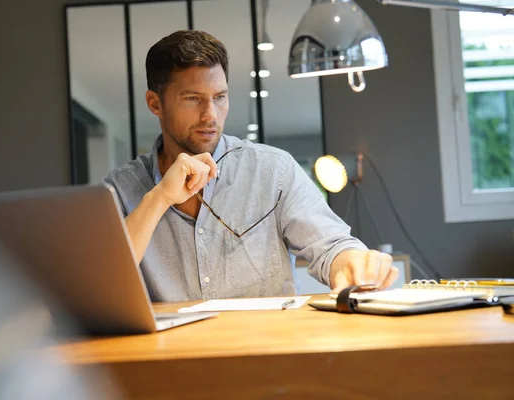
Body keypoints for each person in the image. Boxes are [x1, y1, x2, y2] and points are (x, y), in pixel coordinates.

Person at [103, 30, 398, 302]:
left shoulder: (273, 170)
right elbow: (104, 283)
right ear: (155, 104)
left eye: (219, 98)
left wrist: (353, 262)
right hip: (169, 357)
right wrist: (160, 197)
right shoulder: (119, 189)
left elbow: (331, 245)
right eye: (193, 99)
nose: (211, 115)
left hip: (265, 352)